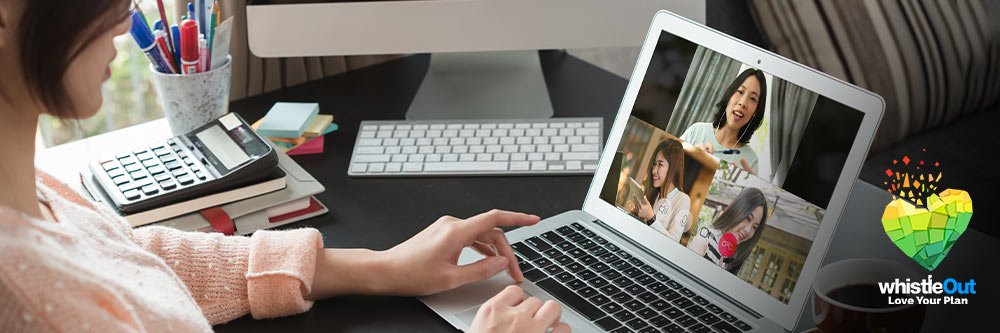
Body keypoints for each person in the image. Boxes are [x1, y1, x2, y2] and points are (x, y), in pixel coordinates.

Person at [0, 1, 568, 332]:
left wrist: (378, 268)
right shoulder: (29, 296)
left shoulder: (29, 194)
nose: (124, 21)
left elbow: (131, 258)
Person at [679, 68, 767, 176]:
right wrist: (689, 157)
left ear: (756, 111)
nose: (743, 103)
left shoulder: (751, 160)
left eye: (753, 99)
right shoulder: (697, 130)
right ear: (729, 96)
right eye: (740, 92)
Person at [686, 187, 768, 275]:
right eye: (748, 218)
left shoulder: (727, 258)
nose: (748, 230)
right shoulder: (706, 240)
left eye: (754, 227)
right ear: (737, 211)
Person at [630, 139, 692, 242]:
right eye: (654, 164)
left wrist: (651, 218)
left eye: (660, 164)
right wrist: (637, 216)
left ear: (673, 168)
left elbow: (673, 242)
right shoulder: (654, 194)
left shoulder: (683, 200)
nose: (654, 170)